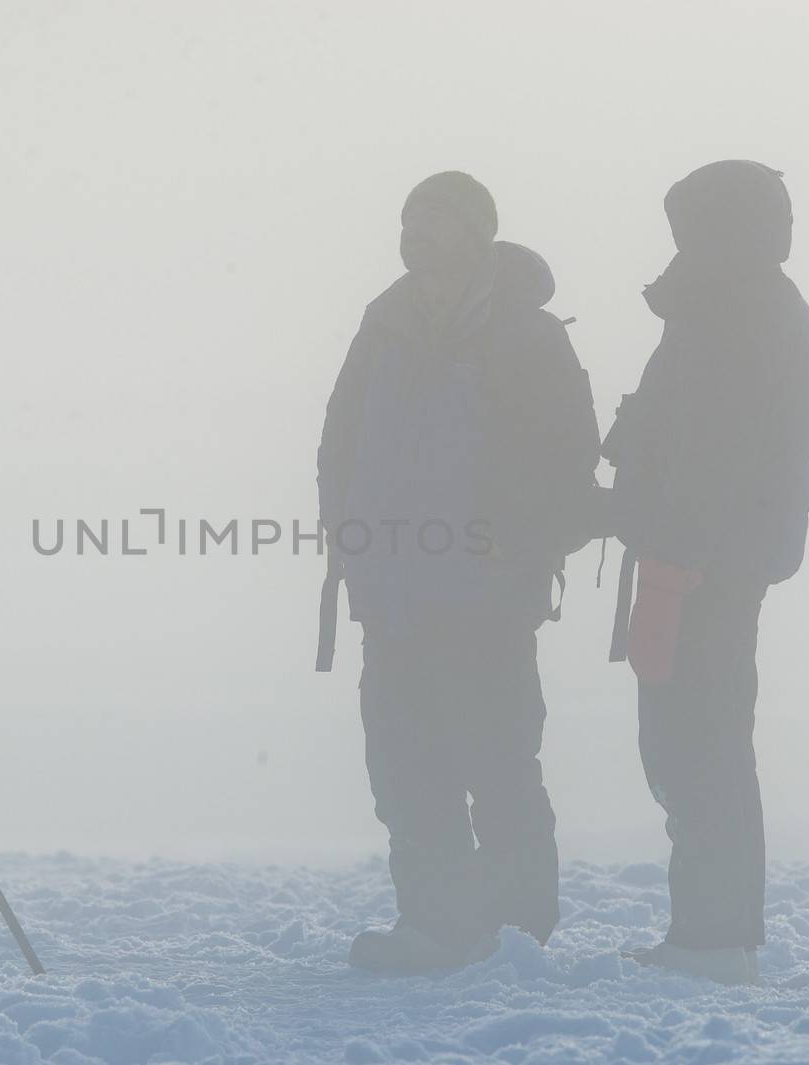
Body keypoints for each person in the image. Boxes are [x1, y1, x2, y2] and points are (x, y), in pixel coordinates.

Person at [316, 171, 599, 974]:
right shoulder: (383, 325)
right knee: (407, 769)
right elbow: (339, 436)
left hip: (486, 599)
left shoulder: (528, 336)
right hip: (396, 594)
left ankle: (515, 934)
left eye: (435, 221)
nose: (416, 236)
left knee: (498, 763)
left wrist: (520, 547)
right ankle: (435, 926)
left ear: (476, 235)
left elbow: (569, 461)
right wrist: (346, 535)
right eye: (408, 219)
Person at [602, 160, 809, 984]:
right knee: (689, 744)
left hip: (702, 565)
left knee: (698, 745)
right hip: (696, 557)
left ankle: (715, 938)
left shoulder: (738, 311)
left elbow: (719, 450)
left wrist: (672, 533)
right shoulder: (733, 306)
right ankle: (708, 930)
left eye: (692, 223)